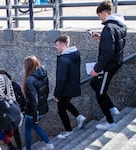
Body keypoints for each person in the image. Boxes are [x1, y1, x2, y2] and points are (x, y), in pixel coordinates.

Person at [90, 0, 127, 130]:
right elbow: (116, 42)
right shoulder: (119, 24)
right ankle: (112, 108)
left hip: (108, 66)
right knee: (93, 84)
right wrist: (102, 38)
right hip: (116, 62)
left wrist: (96, 69)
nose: (99, 18)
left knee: (100, 94)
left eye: (99, 15)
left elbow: (107, 53)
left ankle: (110, 122)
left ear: (103, 13)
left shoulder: (108, 28)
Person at [21, 55, 55, 150]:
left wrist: (34, 114)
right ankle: (48, 144)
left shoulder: (29, 80)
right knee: (35, 126)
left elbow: (33, 99)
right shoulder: (43, 74)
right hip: (42, 108)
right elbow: (46, 91)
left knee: (27, 128)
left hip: (33, 111)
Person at [54, 35, 87, 138]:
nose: (57, 47)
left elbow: (61, 78)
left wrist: (56, 93)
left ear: (63, 44)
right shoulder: (74, 54)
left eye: (57, 45)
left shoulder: (64, 59)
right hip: (73, 85)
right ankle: (79, 117)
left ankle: (68, 130)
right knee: (65, 103)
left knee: (61, 109)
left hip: (65, 88)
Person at [0, 70, 24, 150]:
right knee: (4, 132)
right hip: (5, 114)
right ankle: (11, 147)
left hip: (13, 112)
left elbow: (19, 98)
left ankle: (19, 147)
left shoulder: (14, 86)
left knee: (15, 131)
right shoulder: (0, 89)